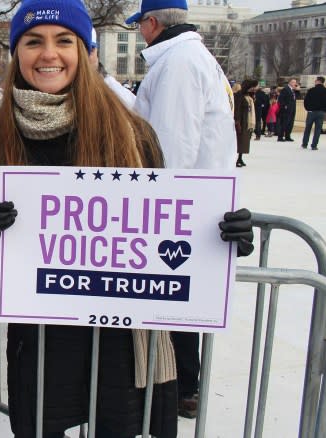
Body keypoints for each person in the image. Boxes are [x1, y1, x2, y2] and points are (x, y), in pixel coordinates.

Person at [0, 0, 253, 436]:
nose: (49, 54)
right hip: (42, 335)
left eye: (64, 41)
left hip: (121, 336)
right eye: (33, 41)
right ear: (17, 54)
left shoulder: (128, 130)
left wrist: (220, 235)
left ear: (84, 50)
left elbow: (165, 217)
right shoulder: (0, 137)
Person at [126, 0, 244, 419]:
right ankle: (178, 386)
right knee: (178, 301)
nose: (140, 33)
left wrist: (155, 207)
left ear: (152, 23)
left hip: (183, 207)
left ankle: (177, 388)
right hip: (197, 201)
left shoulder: (179, 64)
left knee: (174, 302)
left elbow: (170, 147)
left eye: (140, 25)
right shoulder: (190, 58)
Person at [234, 79, 257, 167]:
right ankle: (236, 159)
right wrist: (237, 121)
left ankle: (240, 157)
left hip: (247, 121)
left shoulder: (248, 96)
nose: (253, 89)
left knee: (244, 142)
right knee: (240, 141)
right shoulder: (239, 96)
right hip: (242, 121)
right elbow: (237, 109)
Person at [301, 76, 326, 150]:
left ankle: (305, 144)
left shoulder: (311, 90)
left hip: (311, 112)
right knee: (318, 130)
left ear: (318, 81)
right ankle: (314, 145)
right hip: (321, 112)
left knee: (308, 128)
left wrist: (308, 108)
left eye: (316, 80)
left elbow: (306, 101)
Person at [277, 78, 299, 142]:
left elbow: (296, 97)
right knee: (284, 123)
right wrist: (284, 106)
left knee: (290, 123)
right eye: (292, 82)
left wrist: (298, 90)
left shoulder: (293, 90)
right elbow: (281, 100)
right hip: (286, 110)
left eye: (295, 82)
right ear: (289, 82)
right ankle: (280, 137)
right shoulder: (285, 89)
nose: (294, 83)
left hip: (292, 109)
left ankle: (287, 136)